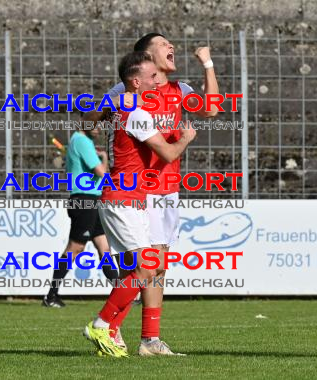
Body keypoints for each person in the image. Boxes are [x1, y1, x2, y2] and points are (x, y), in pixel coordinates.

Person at [83, 33, 219, 355]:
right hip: (138, 192)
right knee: (147, 265)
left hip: (165, 188)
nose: (171, 47)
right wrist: (110, 107)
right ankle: (110, 327)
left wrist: (208, 64)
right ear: (145, 57)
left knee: (157, 266)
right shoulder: (128, 92)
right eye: (163, 44)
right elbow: (88, 119)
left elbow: (211, 111)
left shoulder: (179, 90)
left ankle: (147, 339)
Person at [42, 125, 119, 308]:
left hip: (93, 199)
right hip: (84, 201)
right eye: (97, 124)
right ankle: (51, 296)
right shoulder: (82, 141)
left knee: (104, 248)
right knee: (75, 249)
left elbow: (100, 175)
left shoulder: (82, 142)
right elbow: (101, 173)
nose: (99, 129)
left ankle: (122, 293)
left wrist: (103, 159)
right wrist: (105, 161)